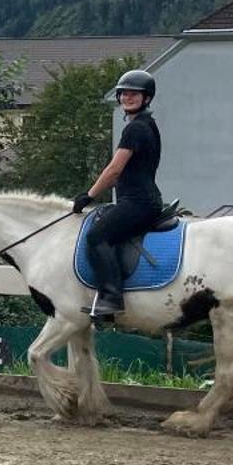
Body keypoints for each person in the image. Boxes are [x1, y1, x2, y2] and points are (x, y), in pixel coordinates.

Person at [72, 67, 162, 325]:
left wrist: (88, 196)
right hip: (137, 200)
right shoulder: (146, 124)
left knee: (97, 237)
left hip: (139, 203)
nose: (127, 98)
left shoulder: (136, 129)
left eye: (135, 94)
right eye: (124, 94)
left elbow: (114, 170)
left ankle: (111, 298)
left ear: (146, 98)